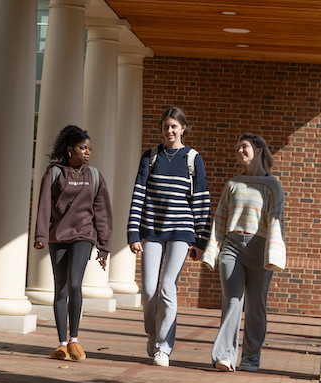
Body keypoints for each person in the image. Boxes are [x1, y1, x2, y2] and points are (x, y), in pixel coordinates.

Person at [127, 106, 211, 367]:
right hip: (151, 229)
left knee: (167, 288)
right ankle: (153, 333)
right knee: (149, 289)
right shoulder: (150, 156)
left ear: (183, 128)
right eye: (166, 126)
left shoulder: (192, 158)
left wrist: (200, 239)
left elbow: (201, 199)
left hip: (181, 231)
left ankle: (164, 346)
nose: (170, 131)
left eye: (174, 126)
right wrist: (133, 232)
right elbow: (138, 194)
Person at [202, 132, 286, 373]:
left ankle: (251, 358)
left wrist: (274, 255)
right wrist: (212, 251)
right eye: (238, 148)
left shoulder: (273, 185)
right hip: (232, 249)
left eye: (244, 147)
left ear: (259, 149)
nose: (240, 151)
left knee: (256, 306)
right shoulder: (232, 183)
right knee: (232, 302)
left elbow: (276, 221)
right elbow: (219, 219)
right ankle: (224, 356)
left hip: (260, 251)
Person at [34, 125, 112, 361]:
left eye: (90, 149)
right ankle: (62, 343)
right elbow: (44, 205)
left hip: (84, 236)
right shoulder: (54, 173)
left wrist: (104, 246)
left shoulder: (95, 176)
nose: (87, 152)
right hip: (58, 237)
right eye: (82, 148)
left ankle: (75, 339)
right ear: (70, 150)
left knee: (75, 283)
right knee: (60, 289)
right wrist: (41, 236)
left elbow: (102, 213)